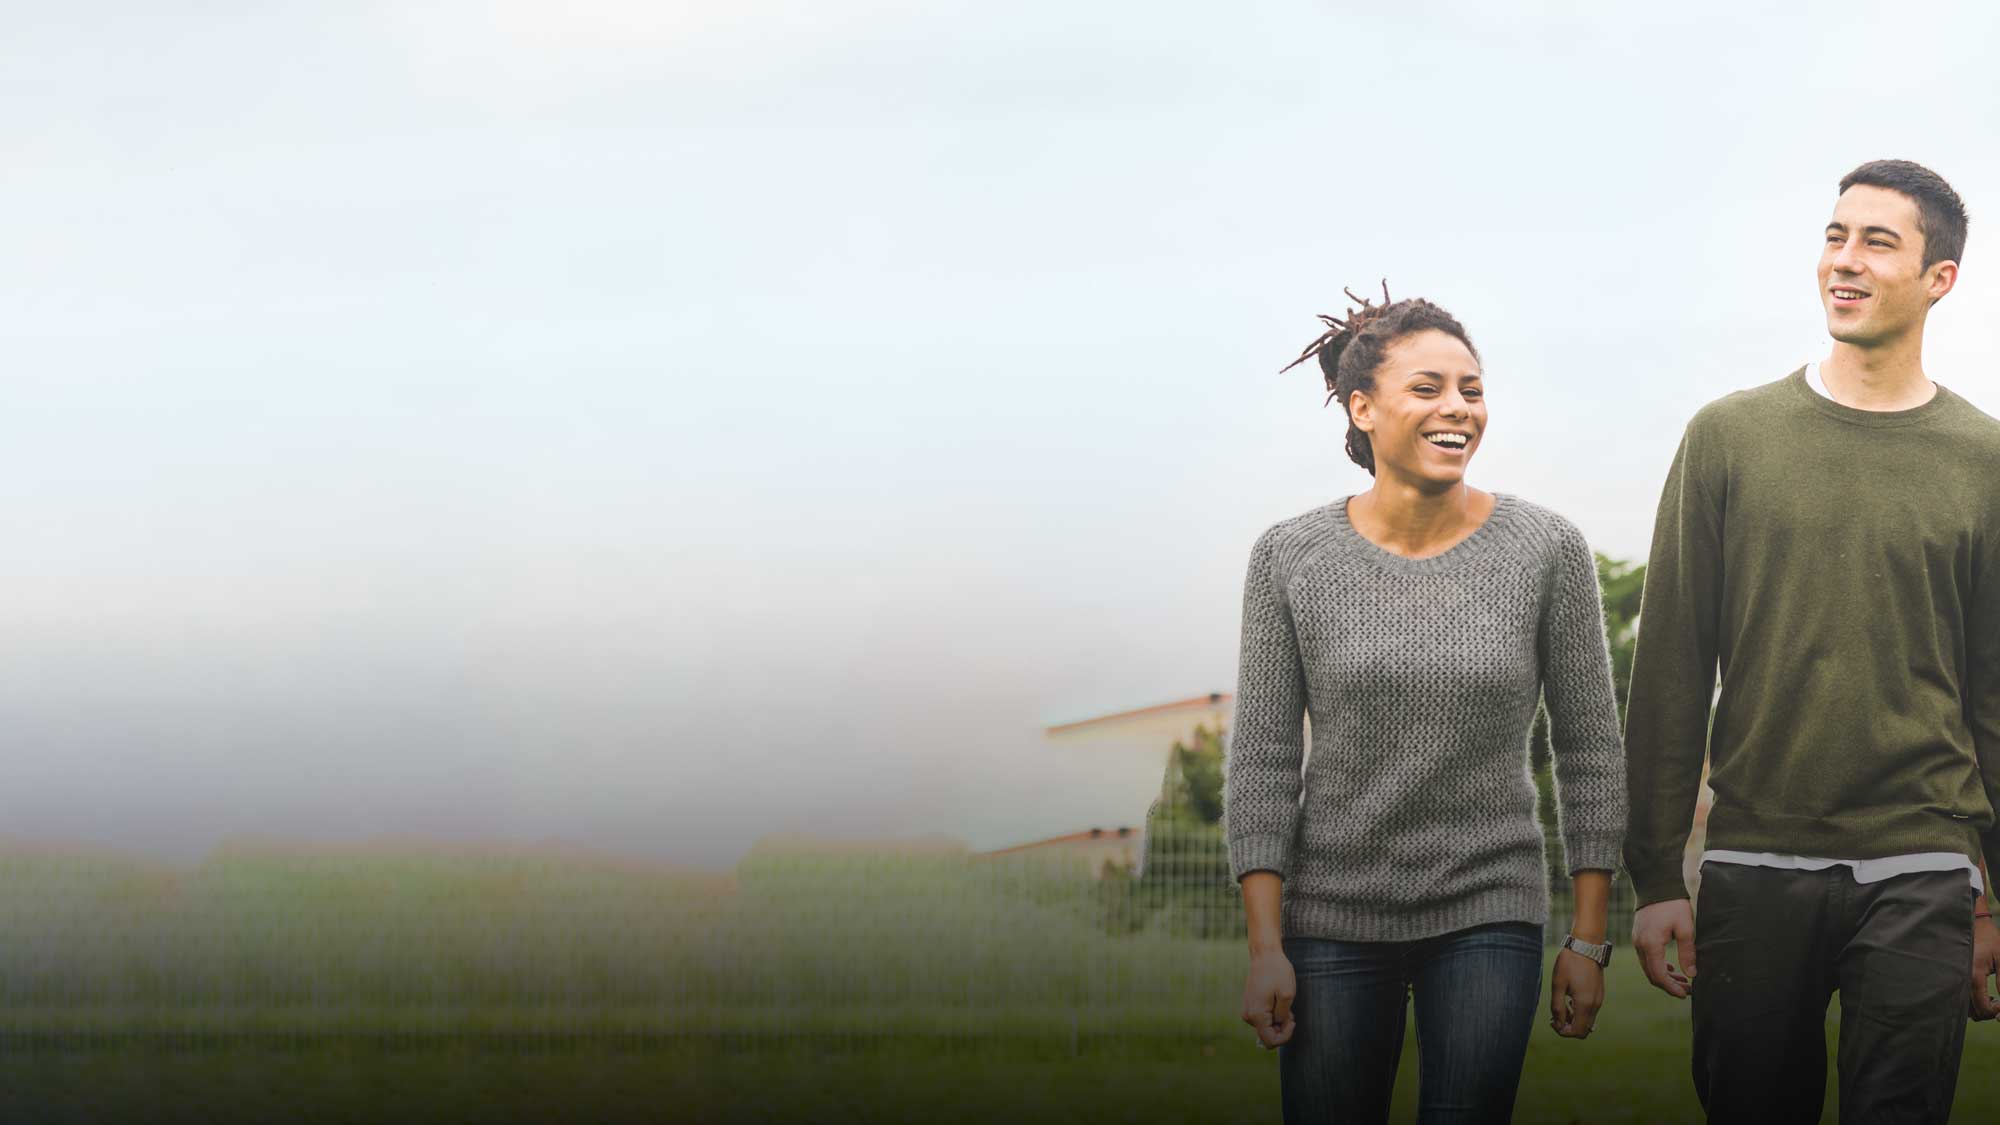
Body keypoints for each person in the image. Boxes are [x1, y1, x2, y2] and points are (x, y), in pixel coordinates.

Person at [1623, 158, 2000, 1123]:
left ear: (1939, 279)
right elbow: (1670, 666)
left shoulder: (1986, 460)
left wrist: (1995, 890)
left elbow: (1994, 692)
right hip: (1755, 862)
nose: (1846, 258)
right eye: (1836, 235)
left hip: (1925, 859)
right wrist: (1658, 873)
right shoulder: (1729, 437)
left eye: (1878, 241)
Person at [1224, 287, 1627, 1124]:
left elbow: (1589, 748)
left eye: (1471, 390)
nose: (1458, 409)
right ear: (1363, 408)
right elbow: (1261, 762)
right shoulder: (1289, 557)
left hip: (1488, 908)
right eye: (1429, 387)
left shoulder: (1546, 549)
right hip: (1331, 916)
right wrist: (1267, 948)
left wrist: (1587, 940)